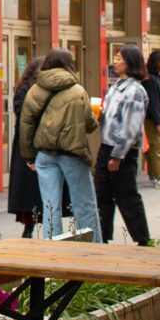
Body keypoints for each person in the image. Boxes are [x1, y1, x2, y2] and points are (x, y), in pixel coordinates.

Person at [20, 48, 100, 242]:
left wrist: (29, 156)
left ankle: (52, 254)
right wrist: (97, 116)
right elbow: (89, 125)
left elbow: (26, 125)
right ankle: (92, 250)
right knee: (84, 205)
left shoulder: (35, 90)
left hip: (45, 155)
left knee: (49, 207)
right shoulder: (78, 90)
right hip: (73, 153)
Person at [95, 45, 152, 246]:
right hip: (106, 146)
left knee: (126, 195)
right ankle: (102, 237)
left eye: (119, 58)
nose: (114, 61)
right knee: (102, 194)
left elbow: (131, 126)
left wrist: (118, 155)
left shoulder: (135, 90)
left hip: (122, 151)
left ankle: (143, 239)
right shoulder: (116, 87)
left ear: (130, 61)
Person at [8, 57, 45, 237]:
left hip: (24, 143)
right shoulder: (32, 91)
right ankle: (33, 227)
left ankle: (28, 227)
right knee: (37, 189)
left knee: (29, 191)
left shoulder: (22, 89)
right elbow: (24, 119)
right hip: (34, 143)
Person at [142, 50, 160, 190]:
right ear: (157, 62)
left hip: (156, 118)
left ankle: (155, 175)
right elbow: (152, 102)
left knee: (155, 148)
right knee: (158, 148)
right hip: (154, 120)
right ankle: (159, 176)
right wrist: (158, 121)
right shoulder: (150, 80)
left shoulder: (155, 77)